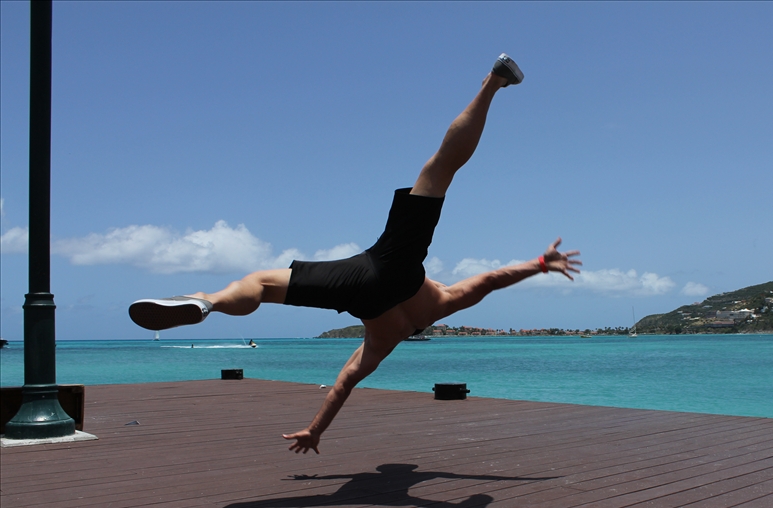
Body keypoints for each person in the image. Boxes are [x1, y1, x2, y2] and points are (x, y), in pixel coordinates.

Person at [129, 54, 581, 454]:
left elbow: (487, 280)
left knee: (441, 168)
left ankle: (493, 82)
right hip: (367, 289)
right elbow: (343, 384)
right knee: (265, 287)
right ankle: (206, 302)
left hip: (387, 264)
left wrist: (539, 264)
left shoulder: (442, 303)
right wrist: (314, 429)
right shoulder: (389, 337)